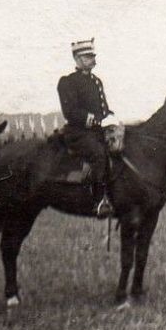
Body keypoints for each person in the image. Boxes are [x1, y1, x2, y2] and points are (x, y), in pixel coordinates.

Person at [57, 38, 120, 217]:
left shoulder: (96, 81)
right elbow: (70, 112)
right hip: (78, 133)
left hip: (97, 131)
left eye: (93, 55)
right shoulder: (67, 82)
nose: (93, 59)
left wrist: (110, 116)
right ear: (77, 58)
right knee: (99, 154)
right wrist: (91, 119)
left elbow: (103, 108)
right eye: (88, 56)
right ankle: (99, 201)